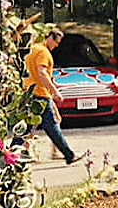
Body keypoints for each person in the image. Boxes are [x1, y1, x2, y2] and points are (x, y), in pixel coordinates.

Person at [12, 28, 84, 165]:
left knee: (26, 127)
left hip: (28, 93)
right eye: (56, 42)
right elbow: (42, 73)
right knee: (52, 126)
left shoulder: (31, 49)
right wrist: (54, 91)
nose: (56, 46)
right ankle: (69, 155)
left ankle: (11, 155)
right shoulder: (43, 52)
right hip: (40, 94)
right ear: (50, 38)